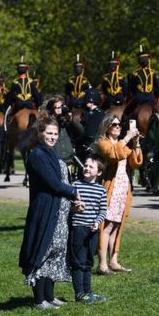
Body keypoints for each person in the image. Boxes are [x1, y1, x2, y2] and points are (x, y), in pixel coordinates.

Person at [18, 116, 81, 309]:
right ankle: (39, 300)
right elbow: (53, 184)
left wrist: (72, 200)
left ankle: (49, 296)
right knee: (43, 252)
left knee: (56, 253)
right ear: (40, 133)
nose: (52, 137)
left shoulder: (51, 154)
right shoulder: (37, 155)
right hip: (45, 211)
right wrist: (74, 192)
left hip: (59, 213)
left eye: (55, 133)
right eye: (49, 133)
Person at [94, 114, 142, 275]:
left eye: (119, 125)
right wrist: (127, 137)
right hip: (110, 189)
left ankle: (113, 261)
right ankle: (102, 264)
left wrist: (136, 143)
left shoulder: (123, 143)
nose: (118, 127)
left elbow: (135, 162)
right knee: (106, 227)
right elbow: (114, 155)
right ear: (107, 126)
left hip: (123, 189)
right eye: (114, 124)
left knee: (116, 226)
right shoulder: (103, 143)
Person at [69, 155, 107, 303]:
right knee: (78, 262)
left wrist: (97, 222)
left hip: (93, 231)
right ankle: (79, 294)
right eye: (85, 165)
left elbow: (103, 210)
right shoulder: (75, 185)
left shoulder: (101, 190)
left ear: (98, 172)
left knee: (88, 262)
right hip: (78, 229)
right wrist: (74, 207)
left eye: (91, 166)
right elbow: (68, 206)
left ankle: (88, 292)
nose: (86, 168)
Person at [45, 95, 84, 166]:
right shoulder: (48, 122)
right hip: (55, 160)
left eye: (61, 107)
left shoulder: (65, 121)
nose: (60, 110)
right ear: (51, 109)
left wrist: (72, 120)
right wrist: (56, 118)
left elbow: (80, 132)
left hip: (68, 159)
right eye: (57, 107)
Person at [124, 46, 159, 117]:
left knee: (126, 112)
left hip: (138, 99)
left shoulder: (135, 73)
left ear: (139, 61)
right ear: (147, 61)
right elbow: (158, 88)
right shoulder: (153, 72)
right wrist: (155, 96)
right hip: (151, 99)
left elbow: (132, 88)